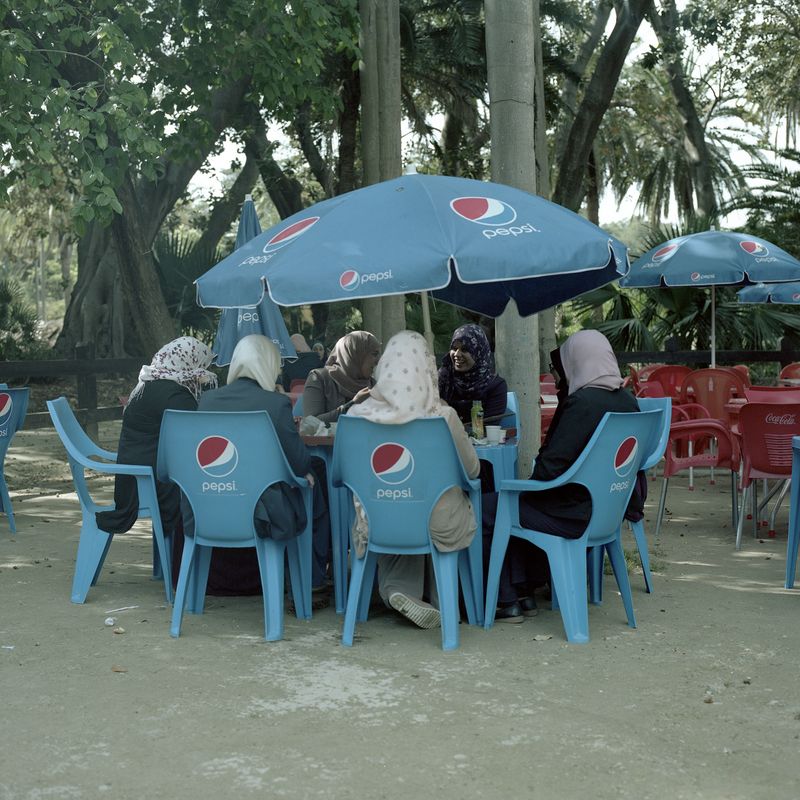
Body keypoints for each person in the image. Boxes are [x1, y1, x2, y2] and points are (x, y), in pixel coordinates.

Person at [482, 328, 640, 622]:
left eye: (560, 367)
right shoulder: (629, 402)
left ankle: (506, 600)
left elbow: (548, 471)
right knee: (512, 504)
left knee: (488, 508)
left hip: (570, 513)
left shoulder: (581, 404)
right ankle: (524, 593)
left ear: (576, 362)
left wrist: (525, 482)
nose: (557, 377)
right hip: (607, 513)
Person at [348, 330, 480, 629]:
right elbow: (473, 471)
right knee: (433, 502)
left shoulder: (357, 416)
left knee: (398, 501)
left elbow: (340, 476)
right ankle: (442, 600)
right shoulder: (442, 417)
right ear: (427, 368)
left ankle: (399, 590)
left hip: (379, 518)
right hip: (436, 522)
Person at [182, 334, 329, 596]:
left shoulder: (207, 401)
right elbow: (298, 461)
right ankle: (312, 580)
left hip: (208, 504)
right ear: (269, 365)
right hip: (263, 513)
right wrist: (304, 470)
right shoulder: (275, 403)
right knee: (314, 485)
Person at [96, 336, 217, 535]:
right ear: (189, 362)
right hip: (149, 481)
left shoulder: (149, 383)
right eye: (202, 365)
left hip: (135, 475)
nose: (204, 372)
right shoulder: (174, 394)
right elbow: (198, 433)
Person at [303, 330, 381, 423]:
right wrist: (352, 405)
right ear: (356, 354)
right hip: (333, 438)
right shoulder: (319, 378)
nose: (378, 361)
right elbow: (311, 423)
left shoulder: (372, 385)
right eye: (374, 354)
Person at [438, 323, 508, 425]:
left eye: (465, 350)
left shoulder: (495, 386)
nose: (457, 354)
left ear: (479, 353)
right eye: (454, 348)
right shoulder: (444, 378)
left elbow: (490, 427)